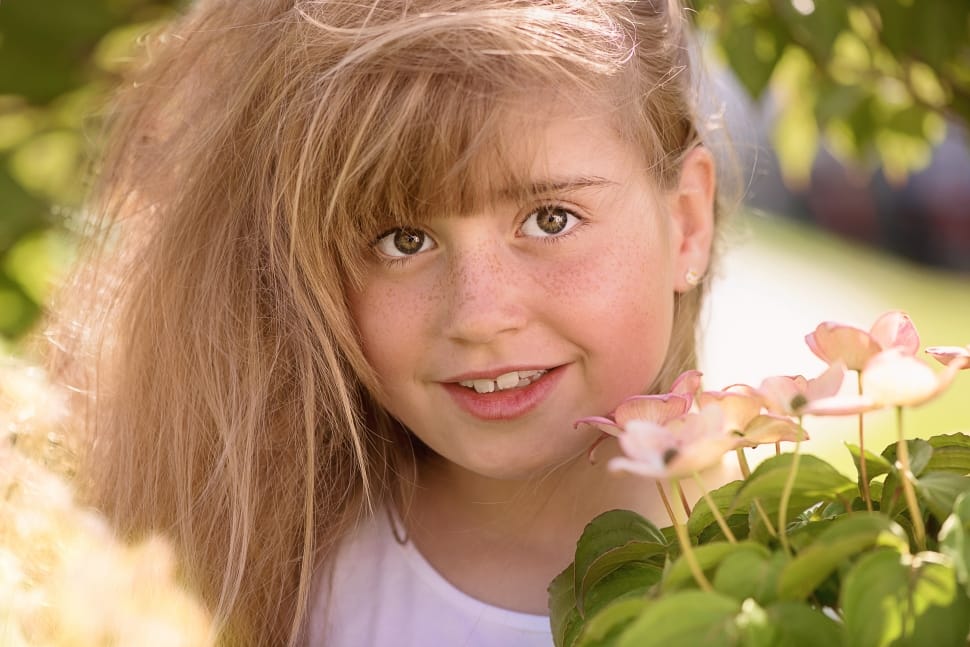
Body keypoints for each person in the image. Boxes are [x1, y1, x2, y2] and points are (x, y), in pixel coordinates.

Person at [51, 0, 723, 644]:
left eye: (551, 219)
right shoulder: (265, 576)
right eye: (403, 239)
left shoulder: (785, 576)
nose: (479, 315)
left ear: (687, 222)